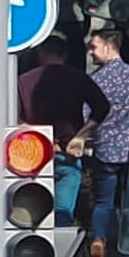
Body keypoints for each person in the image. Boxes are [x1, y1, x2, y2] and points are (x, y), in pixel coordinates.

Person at [17, 35, 107, 224]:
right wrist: (82, 136)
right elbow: (102, 107)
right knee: (62, 215)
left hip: (33, 155)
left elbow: (14, 117)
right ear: (64, 55)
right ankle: (61, 250)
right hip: (68, 152)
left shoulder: (24, 81)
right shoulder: (77, 78)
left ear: (40, 54)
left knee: (33, 218)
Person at [85, 26, 129, 257]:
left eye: (94, 46)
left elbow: (86, 114)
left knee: (103, 203)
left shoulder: (94, 81)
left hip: (105, 151)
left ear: (109, 47)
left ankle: (99, 239)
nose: (90, 52)